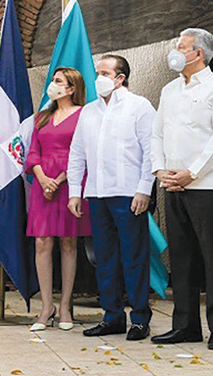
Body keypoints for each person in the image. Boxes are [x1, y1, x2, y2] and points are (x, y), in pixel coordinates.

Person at [150, 29, 213, 351]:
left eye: (181, 46)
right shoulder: (170, 90)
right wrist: (161, 169)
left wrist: (193, 172)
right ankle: (185, 325)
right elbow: (157, 133)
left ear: (198, 53)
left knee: (212, 257)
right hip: (172, 184)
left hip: (208, 186)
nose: (175, 51)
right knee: (181, 257)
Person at [66, 55, 156, 341]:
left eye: (105, 72)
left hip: (129, 195)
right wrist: (74, 193)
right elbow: (77, 154)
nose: (98, 78)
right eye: (97, 72)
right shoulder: (89, 112)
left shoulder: (138, 107)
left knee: (134, 258)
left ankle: (140, 319)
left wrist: (144, 188)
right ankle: (112, 316)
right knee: (104, 259)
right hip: (97, 194)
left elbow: (151, 150)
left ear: (120, 78)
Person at [24, 66, 90, 331]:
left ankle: (65, 306)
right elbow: (32, 152)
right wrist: (42, 178)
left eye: (59, 81)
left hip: (70, 183)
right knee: (42, 242)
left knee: (68, 242)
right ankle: (46, 306)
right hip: (43, 185)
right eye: (53, 80)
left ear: (72, 88)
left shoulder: (84, 115)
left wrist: (61, 180)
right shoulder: (42, 116)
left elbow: (84, 153)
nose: (53, 84)